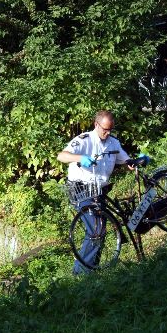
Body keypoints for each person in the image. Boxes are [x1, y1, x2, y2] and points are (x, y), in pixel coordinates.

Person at [57, 110, 133, 274]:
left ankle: (90, 270)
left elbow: (125, 161)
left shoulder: (113, 143)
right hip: (81, 189)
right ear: (96, 124)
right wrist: (80, 158)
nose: (107, 133)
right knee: (96, 230)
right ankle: (80, 273)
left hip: (98, 191)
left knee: (100, 231)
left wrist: (134, 162)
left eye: (110, 129)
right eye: (105, 129)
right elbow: (62, 156)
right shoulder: (84, 140)